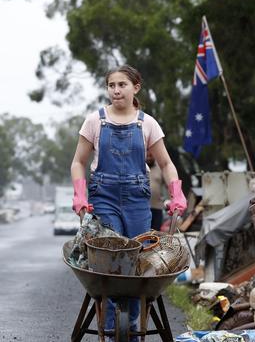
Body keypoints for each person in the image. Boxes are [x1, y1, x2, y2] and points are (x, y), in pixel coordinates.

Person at [70, 64, 187, 340]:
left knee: (135, 262)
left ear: (136, 87)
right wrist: (79, 194)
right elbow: (78, 162)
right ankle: (112, 330)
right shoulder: (94, 121)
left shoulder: (146, 123)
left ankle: (132, 326)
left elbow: (167, 163)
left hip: (137, 200)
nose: (116, 90)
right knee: (111, 261)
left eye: (122, 84)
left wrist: (176, 192)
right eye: (111, 85)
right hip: (104, 197)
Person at [146, 150, 165, 231]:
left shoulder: (161, 167)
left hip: (157, 208)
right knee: (142, 235)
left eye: (151, 155)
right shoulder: (139, 166)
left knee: (155, 236)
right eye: (148, 155)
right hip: (142, 208)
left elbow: (168, 184)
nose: (149, 157)